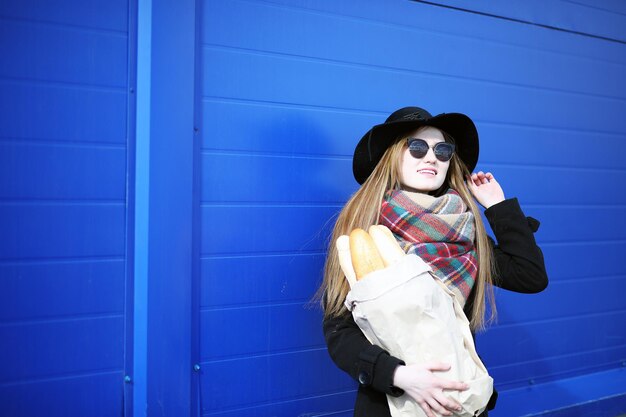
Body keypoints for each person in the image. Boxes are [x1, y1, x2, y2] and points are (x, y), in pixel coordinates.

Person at [319, 106, 548, 417]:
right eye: (416, 147)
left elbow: (530, 276)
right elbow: (339, 332)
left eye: (442, 150)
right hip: (392, 404)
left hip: (462, 402)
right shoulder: (363, 233)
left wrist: (498, 207)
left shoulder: (465, 235)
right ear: (392, 157)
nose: (431, 157)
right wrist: (399, 376)